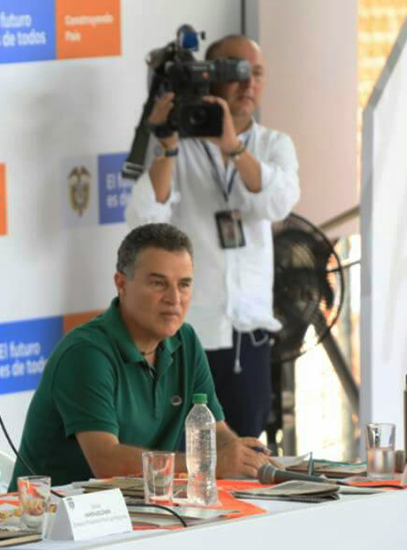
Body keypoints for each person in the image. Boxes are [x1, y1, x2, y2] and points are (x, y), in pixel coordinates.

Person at [125, 35, 300, 439]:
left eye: (257, 74)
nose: (248, 84)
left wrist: (232, 147)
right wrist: (167, 147)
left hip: (250, 334)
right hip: (189, 334)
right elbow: (144, 220)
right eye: (237, 73)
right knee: (185, 455)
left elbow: (278, 203)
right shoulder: (177, 145)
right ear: (209, 78)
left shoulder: (275, 144)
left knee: (248, 455)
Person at [10, 224, 278, 487]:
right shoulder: (86, 353)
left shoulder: (186, 340)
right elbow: (106, 462)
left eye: (184, 285)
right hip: (50, 520)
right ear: (121, 284)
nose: (174, 299)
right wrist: (206, 463)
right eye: (158, 284)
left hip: (142, 510)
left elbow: (218, 434)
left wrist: (248, 459)